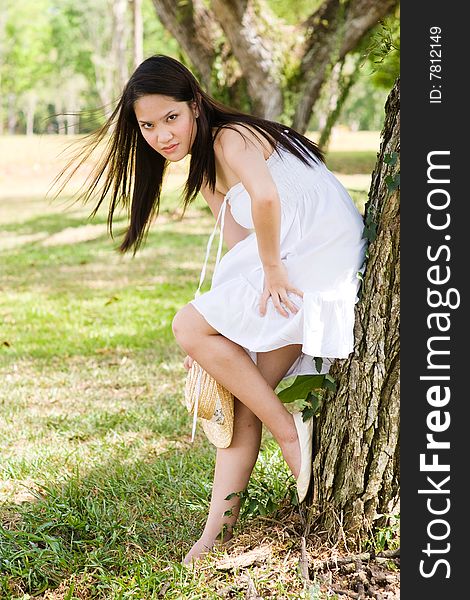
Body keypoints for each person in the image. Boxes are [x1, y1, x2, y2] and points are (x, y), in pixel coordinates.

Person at [56, 55, 366, 564]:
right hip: (291, 264)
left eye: (170, 118)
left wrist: (269, 273)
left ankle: (288, 435)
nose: (161, 135)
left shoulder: (230, 137)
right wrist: (222, 334)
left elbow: (266, 198)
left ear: (195, 105)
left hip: (319, 259)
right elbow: (238, 251)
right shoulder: (202, 170)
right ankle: (215, 535)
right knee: (238, 393)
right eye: (148, 125)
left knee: (186, 325)